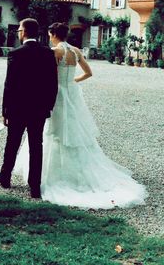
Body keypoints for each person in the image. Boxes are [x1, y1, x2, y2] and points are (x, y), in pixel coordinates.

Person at [13, 22, 147, 209]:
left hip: (56, 94)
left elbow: (47, 76)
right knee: (73, 131)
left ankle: (52, 175)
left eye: (50, 34)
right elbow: (88, 73)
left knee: (52, 131)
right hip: (72, 93)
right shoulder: (75, 51)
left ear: (52, 34)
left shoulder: (54, 52)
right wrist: (73, 81)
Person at [0, 18, 58, 199]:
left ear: (25, 32)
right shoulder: (48, 53)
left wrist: (5, 110)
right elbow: (53, 84)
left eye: (20, 30)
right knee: (36, 146)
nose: (19, 33)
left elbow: (9, 85)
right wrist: (48, 107)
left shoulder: (16, 53)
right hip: (39, 109)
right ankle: (34, 187)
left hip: (18, 108)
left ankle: (5, 177)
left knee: (12, 143)